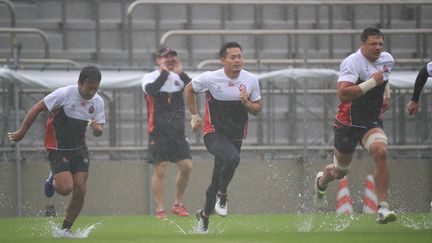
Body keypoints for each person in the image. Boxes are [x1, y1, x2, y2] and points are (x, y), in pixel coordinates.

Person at [8, 66, 105, 237]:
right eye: (88, 86)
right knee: (65, 188)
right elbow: (37, 108)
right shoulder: (64, 94)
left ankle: (66, 229)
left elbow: (99, 131)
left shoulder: (98, 102)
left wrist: (98, 129)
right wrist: (22, 131)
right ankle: (52, 177)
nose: (91, 91)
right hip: (57, 147)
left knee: (81, 189)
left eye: (95, 88)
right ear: (79, 83)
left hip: (79, 148)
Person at [313, 27, 397, 224]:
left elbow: (385, 79)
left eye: (380, 44)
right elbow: (342, 94)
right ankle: (321, 181)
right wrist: (371, 83)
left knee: (381, 151)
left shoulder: (387, 59)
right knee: (341, 171)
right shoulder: (352, 62)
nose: (378, 48)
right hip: (348, 122)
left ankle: (383, 208)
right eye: (373, 44)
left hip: (371, 121)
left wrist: (386, 96)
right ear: (362, 44)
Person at [184, 42, 262, 233]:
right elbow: (188, 89)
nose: (237, 60)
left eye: (240, 56)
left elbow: (257, 109)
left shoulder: (251, 80)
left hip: (235, 135)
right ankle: (223, 196)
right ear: (223, 60)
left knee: (217, 179)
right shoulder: (211, 78)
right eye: (233, 57)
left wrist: (246, 102)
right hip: (213, 132)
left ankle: (203, 217)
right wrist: (194, 116)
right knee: (232, 158)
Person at [142, 47, 193, 219]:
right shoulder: (150, 77)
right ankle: (160, 209)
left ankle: (178, 203)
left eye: (172, 57)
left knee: (187, 166)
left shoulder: (180, 78)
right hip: (157, 132)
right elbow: (151, 91)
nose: (170, 59)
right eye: (166, 57)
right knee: (160, 170)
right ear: (158, 60)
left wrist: (182, 74)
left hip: (178, 132)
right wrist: (164, 73)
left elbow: (194, 90)